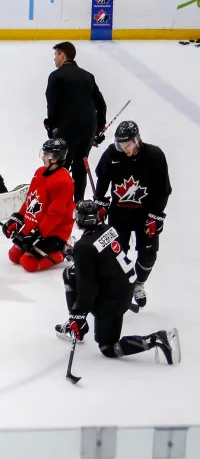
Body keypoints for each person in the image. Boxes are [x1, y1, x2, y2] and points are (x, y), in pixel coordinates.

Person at [56, 200, 179, 364]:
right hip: (124, 288)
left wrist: (78, 315)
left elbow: (88, 289)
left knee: (108, 347)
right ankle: (78, 323)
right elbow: (102, 257)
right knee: (70, 273)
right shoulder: (108, 229)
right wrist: (80, 258)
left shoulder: (83, 247)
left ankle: (157, 339)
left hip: (112, 301)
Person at [94, 121, 171, 309]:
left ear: (137, 140)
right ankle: (120, 286)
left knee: (148, 255)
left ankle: (138, 284)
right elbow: (102, 179)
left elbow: (163, 189)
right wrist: (101, 203)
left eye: (127, 144)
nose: (124, 149)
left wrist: (157, 216)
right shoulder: (112, 154)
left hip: (145, 216)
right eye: (120, 145)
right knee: (116, 254)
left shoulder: (154, 156)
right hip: (119, 214)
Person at [45, 41, 107, 202]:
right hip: (88, 128)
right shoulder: (88, 76)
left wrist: (50, 125)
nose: (54, 59)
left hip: (67, 128)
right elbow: (101, 104)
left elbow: (52, 103)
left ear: (62, 55)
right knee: (80, 166)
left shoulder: (56, 76)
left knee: (61, 166)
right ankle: (78, 202)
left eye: (55, 55)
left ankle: (61, 202)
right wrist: (100, 127)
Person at [3, 139, 74, 272]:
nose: (43, 157)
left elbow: (55, 215)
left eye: (46, 154)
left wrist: (37, 234)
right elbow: (30, 200)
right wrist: (17, 218)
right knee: (14, 256)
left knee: (28, 262)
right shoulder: (40, 172)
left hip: (54, 230)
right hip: (36, 225)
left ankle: (64, 250)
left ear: (55, 158)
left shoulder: (64, 181)